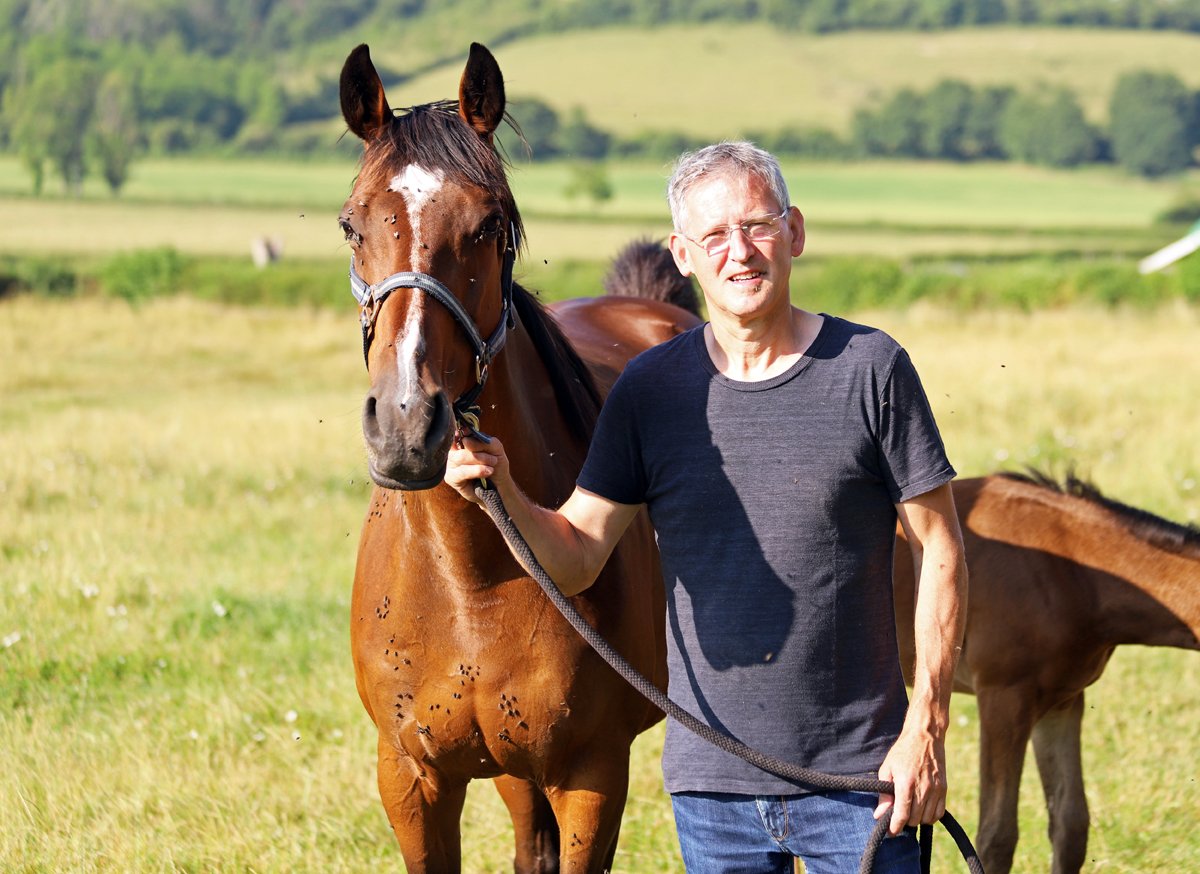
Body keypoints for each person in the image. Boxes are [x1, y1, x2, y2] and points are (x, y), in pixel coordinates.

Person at [446, 141, 967, 874]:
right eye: (714, 235)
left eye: (756, 225)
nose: (739, 252)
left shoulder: (870, 369)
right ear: (682, 255)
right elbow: (579, 556)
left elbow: (940, 548)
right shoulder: (650, 392)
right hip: (712, 790)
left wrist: (926, 729)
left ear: (795, 232)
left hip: (863, 783)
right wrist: (501, 487)